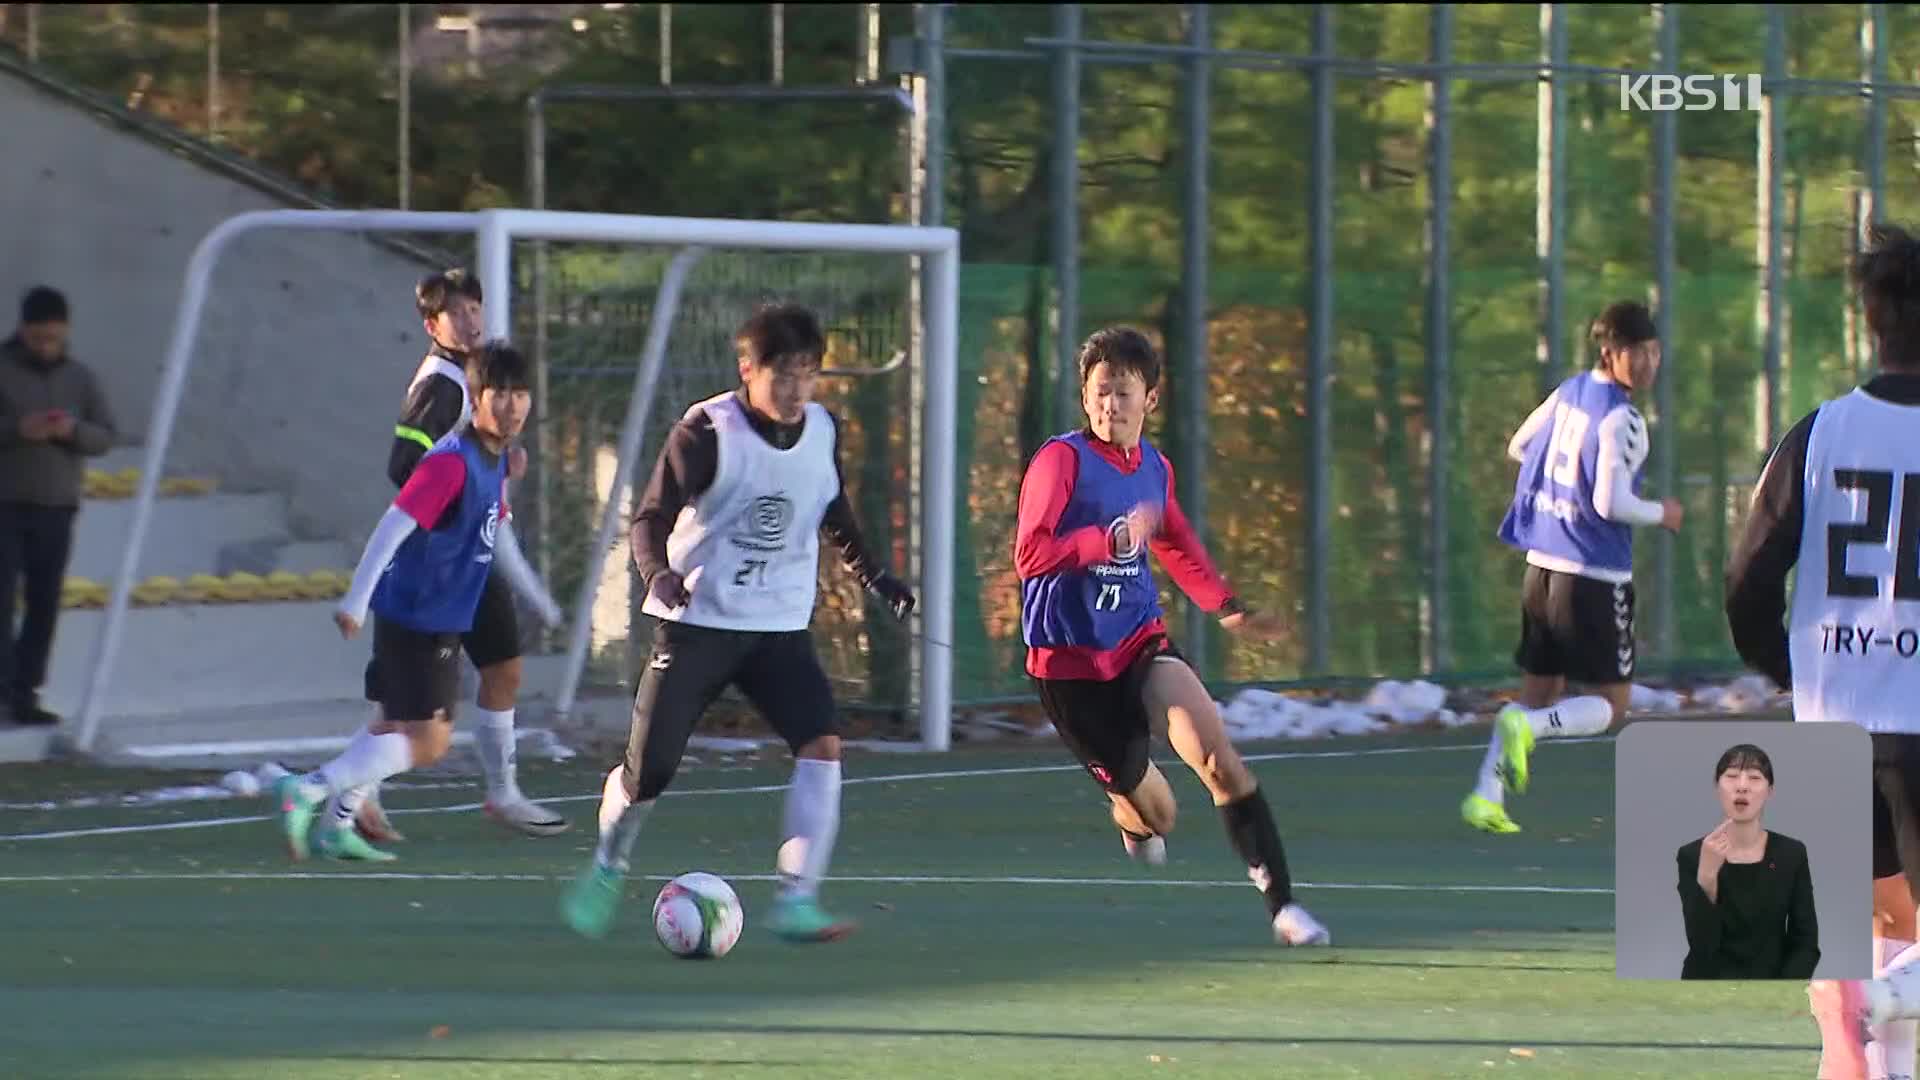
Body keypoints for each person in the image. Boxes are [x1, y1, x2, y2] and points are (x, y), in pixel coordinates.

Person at [559, 302, 916, 944]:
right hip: (698, 626)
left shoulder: (823, 432)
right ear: (747, 369)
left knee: (822, 746)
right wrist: (656, 573)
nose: (796, 389)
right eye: (783, 374)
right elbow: (649, 518)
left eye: (808, 374)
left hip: (777, 630)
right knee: (649, 777)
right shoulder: (707, 432)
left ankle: (796, 900)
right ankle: (610, 861)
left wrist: (877, 577)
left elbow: (834, 511)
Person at [1014, 326, 1330, 947]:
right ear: (1084, 397)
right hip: (1070, 669)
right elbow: (1030, 555)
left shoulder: (1154, 467)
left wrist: (1228, 607)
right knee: (1160, 816)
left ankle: (1284, 908)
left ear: (1149, 401)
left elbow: (1176, 540)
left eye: (1123, 393)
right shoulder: (1061, 461)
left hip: (1139, 640)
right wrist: (1102, 542)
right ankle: (1133, 820)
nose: (1111, 405)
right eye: (1100, 392)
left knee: (1219, 760)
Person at [1725, 223, 1920, 1079]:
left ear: (1870, 318)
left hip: (1832, 721)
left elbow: (1747, 582)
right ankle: (1869, 1008)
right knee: (1891, 959)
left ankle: (1865, 1036)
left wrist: (1796, 675)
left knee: (1887, 925)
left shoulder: (1819, 433)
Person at [272, 341, 533, 861]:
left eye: (520, 393)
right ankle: (307, 789)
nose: (511, 405)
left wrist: (534, 594)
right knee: (429, 741)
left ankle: (336, 827)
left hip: (437, 613)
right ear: (475, 399)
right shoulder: (452, 462)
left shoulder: (495, 461)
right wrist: (355, 600)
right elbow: (393, 527)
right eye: (498, 393)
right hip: (420, 617)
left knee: (391, 725)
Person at [345, 269, 567, 846]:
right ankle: (342, 788)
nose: (470, 319)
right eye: (457, 312)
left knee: (502, 670)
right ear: (431, 325)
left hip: (474, 557)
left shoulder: (478, 377)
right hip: (439, 567)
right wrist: (458, 493)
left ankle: (501, 791)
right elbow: (404, 468)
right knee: (413, 716)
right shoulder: (442, 386)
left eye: (476, 308)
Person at [1462, 300, 1685, 835]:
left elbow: (1521, 445)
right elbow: (1611, 504)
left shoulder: (1568, 393)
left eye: (1655, 351)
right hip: (1591, 576)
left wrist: (1558, 487)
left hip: (1541, 569)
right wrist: (1663, 513)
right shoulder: (1621, 418)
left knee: (1537, 693)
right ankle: (1527, 732)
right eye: (1639, 353)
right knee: (1611, 705)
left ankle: (1486, 796)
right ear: (1611, 354)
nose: (1651, 363)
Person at [0, 286, 117, 726]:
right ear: (23, 330)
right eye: (37, 338)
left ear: (64, 331)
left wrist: (71, 430)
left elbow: (105, 435)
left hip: (56, 506)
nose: (45, 346)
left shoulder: (81, 378)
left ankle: (25, 694)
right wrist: (17, 429)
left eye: (52, 338)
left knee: (44, 601)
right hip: (5, 504)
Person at [1676, 743, 1820, 980]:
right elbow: (1702, 946)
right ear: (1717, 787)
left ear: (1769, 790)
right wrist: (1707, 877)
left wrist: (1781, 991)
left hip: (1773, 985)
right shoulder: (1692, 855)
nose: (1742, 787)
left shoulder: (1791, 853)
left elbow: (1805, 942)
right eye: (1731, 777)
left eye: (1754, 778)